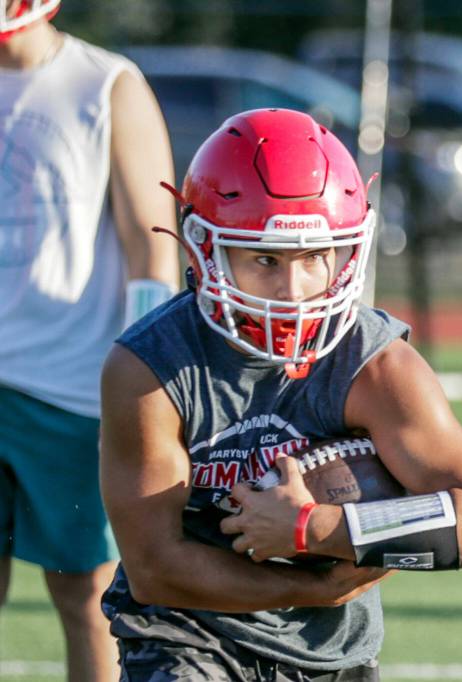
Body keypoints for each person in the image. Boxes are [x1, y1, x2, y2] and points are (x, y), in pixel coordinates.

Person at [98, 108, 462, 680]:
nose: (293, 292)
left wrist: (311, 529)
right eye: (264, 259)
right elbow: (154, 568)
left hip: (331, 649)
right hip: (187, 630)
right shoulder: (150, 365)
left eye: (315, 258)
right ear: (204, 250)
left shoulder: (376, 364)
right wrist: (315, 587)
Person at [0, 1, 179, 679]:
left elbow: (150, 243)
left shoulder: (106, 82)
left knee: (85, 592)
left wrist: (144, 388)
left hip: (70, 388)